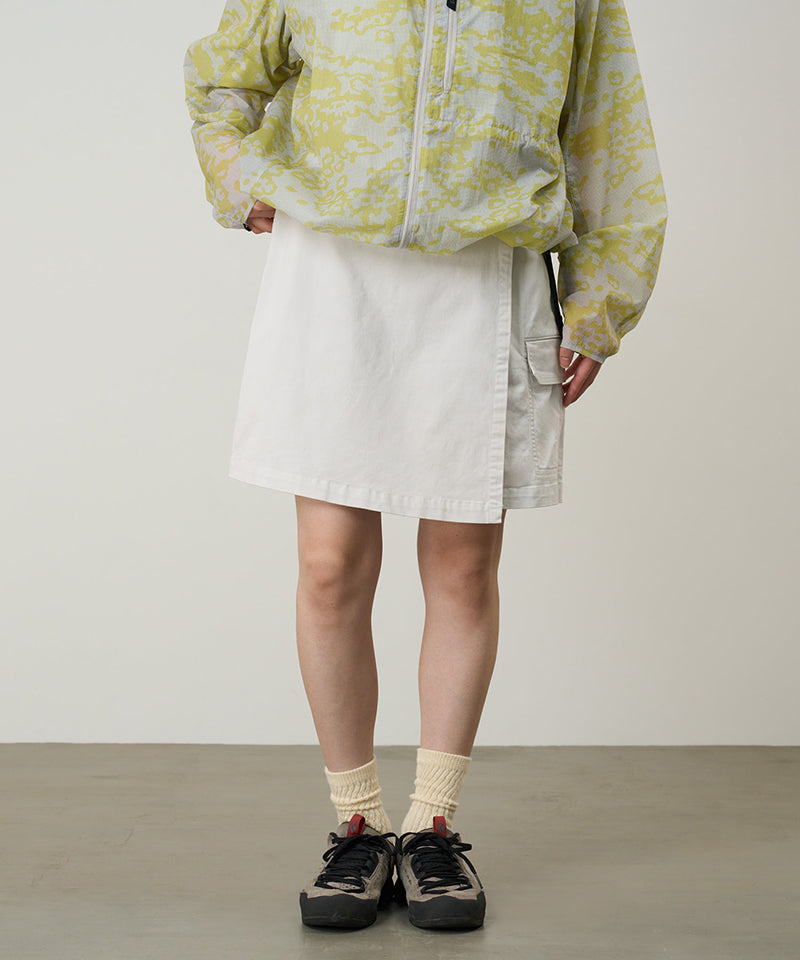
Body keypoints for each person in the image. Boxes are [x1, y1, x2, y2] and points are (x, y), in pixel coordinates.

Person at [183, 0, 667, 931]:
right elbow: (223, 74)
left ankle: (433, 824)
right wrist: (236, 174)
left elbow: (608, 128)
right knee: (329, 565)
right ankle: (358, 826)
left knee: (461, 566)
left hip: (487, 270)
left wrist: (602, 296)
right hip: (334, 269)